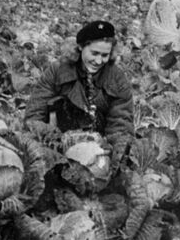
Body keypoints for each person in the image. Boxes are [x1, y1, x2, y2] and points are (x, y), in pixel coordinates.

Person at [24, 21, 133, 166]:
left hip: (99, 152)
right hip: (57, 145)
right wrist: (43, 149)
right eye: (94, 53)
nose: (98, 61)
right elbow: (35, 113)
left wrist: (114, 160)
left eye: (105, 55)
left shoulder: (118, 79)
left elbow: (120, 125)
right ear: (81, 47)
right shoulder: (57, 71)